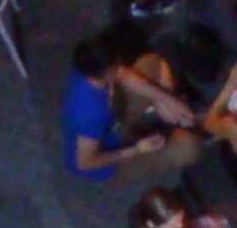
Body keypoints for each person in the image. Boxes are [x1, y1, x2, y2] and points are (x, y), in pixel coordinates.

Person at [63, 27, 195, 181]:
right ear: (107, 72)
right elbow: (85, 163)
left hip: (112, 119)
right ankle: (162, 129)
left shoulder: (87, 71)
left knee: (151, 63)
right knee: (190, 147)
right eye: (117, 65)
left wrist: (166, 98)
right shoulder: (89, 116)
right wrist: (137, 149)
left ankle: (163, 117)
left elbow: (123, 74)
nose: (120, 67)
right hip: (111, 161)